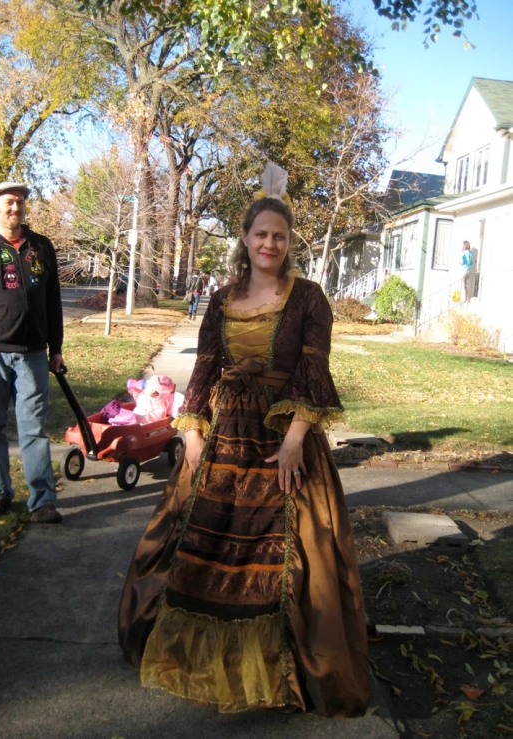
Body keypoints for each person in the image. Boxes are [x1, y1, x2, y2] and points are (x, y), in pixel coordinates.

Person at [118, 163, 369, 716]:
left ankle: (286, 670)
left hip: (283, 434)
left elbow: (313, 371)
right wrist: (189, 433)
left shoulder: (308, 298)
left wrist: (295, 439)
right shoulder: (221, 297)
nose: (270, 243)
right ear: (246, 239)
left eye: (279, 236)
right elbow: (205, 370)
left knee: (286, 551)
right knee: (205, 543)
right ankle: (209, 660)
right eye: (261, 234)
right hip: (225, 433)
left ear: (288, 242)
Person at [0, 181, 64, 523]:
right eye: (7, 203)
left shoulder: (41, 247)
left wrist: (56, 348)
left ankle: (43, 500)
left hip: (33, 353)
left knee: (32, 428)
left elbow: (52, 302)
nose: (14, 208)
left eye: (19, 203)